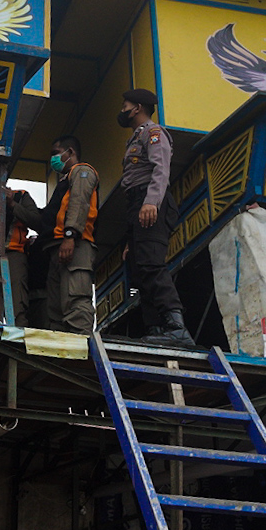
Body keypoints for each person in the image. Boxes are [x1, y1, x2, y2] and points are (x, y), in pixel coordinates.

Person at [118, 88, 193, 346]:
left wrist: (151, 202)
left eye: (125, 104)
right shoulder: (135, 138)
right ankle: (157, 328)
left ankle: (176, 325)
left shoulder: (153, 133)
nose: (123, 109)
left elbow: (161, 170)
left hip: (150, 201)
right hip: (136, 206)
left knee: (151, 263)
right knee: (139, 268)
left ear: (137, 107)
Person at [11, 136, 98, 334]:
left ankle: (81, 342)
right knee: (57, 306)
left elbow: (79, 204)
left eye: (56, 153)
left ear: (70, 152)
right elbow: (44, 223)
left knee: (75, 297)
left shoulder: (82, 172)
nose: (53, 159)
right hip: (57, 249)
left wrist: (70, 235)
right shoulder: (63, 183)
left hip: (75, 245)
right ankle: (61, 344)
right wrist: (14, 206)